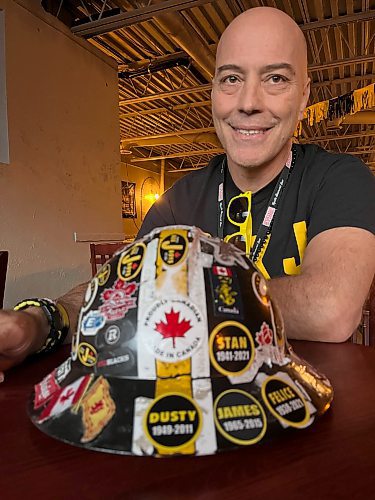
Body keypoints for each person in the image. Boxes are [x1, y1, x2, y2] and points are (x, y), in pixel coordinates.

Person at [0, 7, 374, 379]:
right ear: (213, 90)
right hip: (196, 412)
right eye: (231, 78)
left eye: (275, 78)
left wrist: (169, 293)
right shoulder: (178, 201)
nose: (248, 102)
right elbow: (116, 289)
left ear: (304, 94)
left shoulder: (340, 179)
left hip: (314, 414)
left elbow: (330, 310)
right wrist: (41, 322)